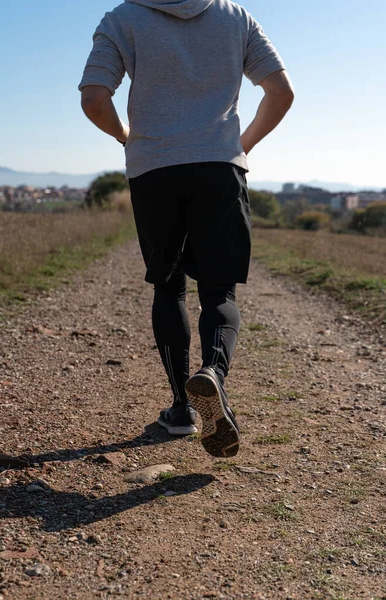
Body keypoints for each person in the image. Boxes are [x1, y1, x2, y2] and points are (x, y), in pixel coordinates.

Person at [79, 0, 294, 458]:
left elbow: (95, 98)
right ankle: (213, 373)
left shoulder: (122, 18)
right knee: (219, 292)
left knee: (169, 287)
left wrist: (127, 137)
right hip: (219, 166)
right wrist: (240, 145)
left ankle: (181, 409)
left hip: (153, 169)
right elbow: (281, 93)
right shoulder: (236, 17)